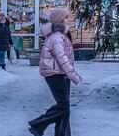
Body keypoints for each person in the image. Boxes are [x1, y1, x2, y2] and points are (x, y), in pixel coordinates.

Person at [28, 7, 82, 136]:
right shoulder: (57, 37)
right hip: (55, 74)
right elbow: (62, 58)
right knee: (63, 106)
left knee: (64, 106)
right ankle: (38, 124)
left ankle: (62, 133)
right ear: (60, 20)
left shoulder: (61, 34)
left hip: (61, 73)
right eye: (67, 17)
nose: (69, 19)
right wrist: (73, 75)